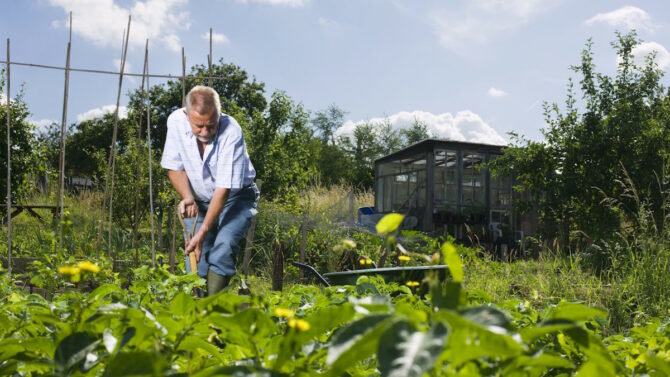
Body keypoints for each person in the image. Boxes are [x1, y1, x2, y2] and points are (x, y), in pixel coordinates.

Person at [161, 85, 259, 295]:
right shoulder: (176, 122)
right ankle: (197, 314)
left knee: (223, 247)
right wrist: (187, 196)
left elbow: (223, 189)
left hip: (236, 197)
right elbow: (174, 167)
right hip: (199, 199)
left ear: (219, 114)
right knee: (195, 257)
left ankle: (212, 310)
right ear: (186, 114)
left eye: (211, 125)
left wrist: (203, 231)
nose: (205, 132)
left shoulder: (231, 132)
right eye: (199, 126)